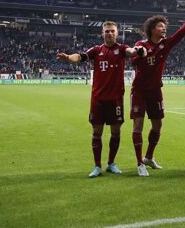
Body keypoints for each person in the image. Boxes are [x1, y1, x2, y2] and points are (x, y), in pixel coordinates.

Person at [57, 21, 142, 178]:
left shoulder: (121, 49)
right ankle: (97, 166)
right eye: (107, 31)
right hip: (98, 99)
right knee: (97, 132)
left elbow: (131, 51)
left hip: (116, 99)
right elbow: (80, 57)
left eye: (112, 31)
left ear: (117, 33)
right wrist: (68, 57)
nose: (109, 33)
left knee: (116, 132)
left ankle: (111, 163)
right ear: (102, 33)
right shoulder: (96, 50)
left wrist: (137, 50)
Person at [130, 5, 185, 176]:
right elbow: (132, 60)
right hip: (139, 91)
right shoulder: (141, 44)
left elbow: (181, 33)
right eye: (160, 26)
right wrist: (140, 54)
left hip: (155, 91)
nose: (164, 29)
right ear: (152, 29)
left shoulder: (165, 44)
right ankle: (139, 163)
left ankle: (148, 157)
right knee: (138, 125)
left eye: (164, 26)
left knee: (158, 125)